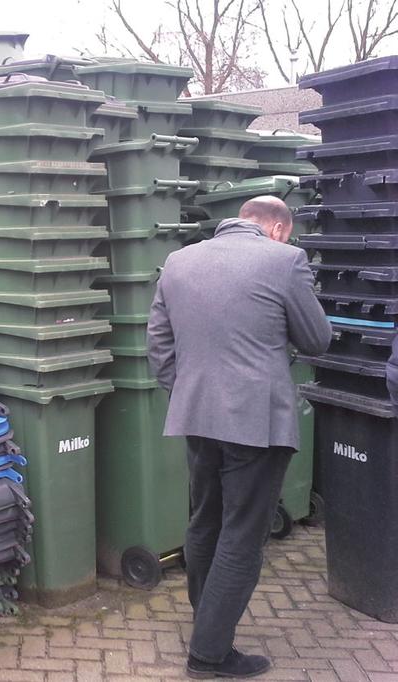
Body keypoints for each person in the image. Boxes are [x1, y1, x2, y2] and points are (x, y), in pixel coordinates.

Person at [147, 196, 332, 680]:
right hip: (256, 420)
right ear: (276, 229)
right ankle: (209, 654)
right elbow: (317, 340)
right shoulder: (285, 260)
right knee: (243, 534)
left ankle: (206, 616)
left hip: (195, 413)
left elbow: (159, 348)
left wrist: (189, 392)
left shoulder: (178, 262)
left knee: (204, 519)